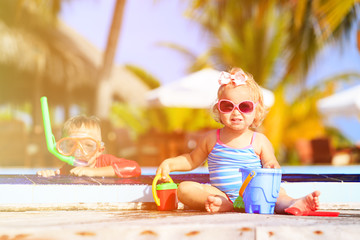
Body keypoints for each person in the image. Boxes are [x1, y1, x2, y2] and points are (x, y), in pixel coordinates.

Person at [156, 67, 320, 214]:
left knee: (278, 193)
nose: (236, 112)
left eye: (245, 107)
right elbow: (191, 160)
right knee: (184, 188)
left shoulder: (260, 141)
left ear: (256, 111)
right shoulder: (211, 139)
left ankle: (294, 203)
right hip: (220, 194)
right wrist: (170, 164)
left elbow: (272, 164)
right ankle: (224, 205)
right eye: (228, 106)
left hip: (255, 193)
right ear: (218, 109)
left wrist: (271, 166)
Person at [37, 115, 141, 178]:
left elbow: (135, 168)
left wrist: (93, 172)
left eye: (88, 145)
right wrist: (48, 175)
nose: (78, 151)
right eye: (71, 145)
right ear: (63, 148)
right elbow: (56, 179)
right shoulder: (67, 169)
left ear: (100, 150)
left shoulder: (105, 161)